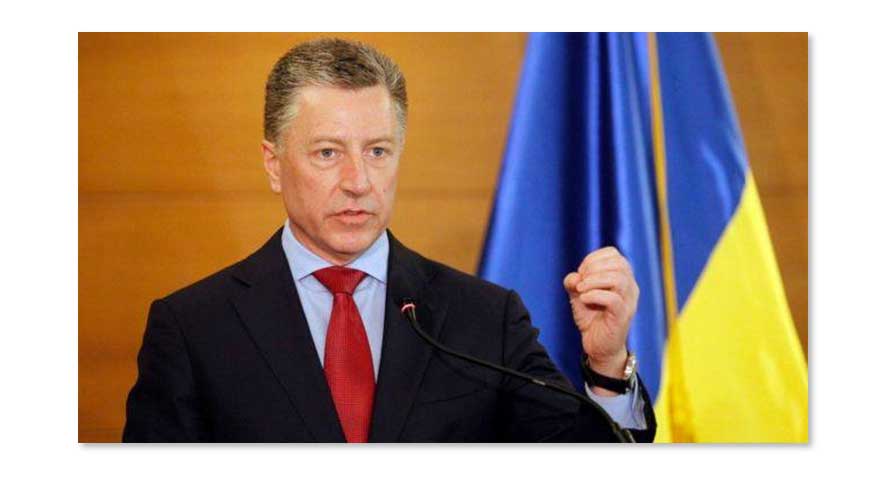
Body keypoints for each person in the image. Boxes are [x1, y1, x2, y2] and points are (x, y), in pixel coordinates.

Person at [123, 38, 656, 443]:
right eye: (328, 152)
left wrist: (607, 367)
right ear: (274, 164)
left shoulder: (484, 319)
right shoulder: (194, 329)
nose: (358, 181)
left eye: (377, 151)